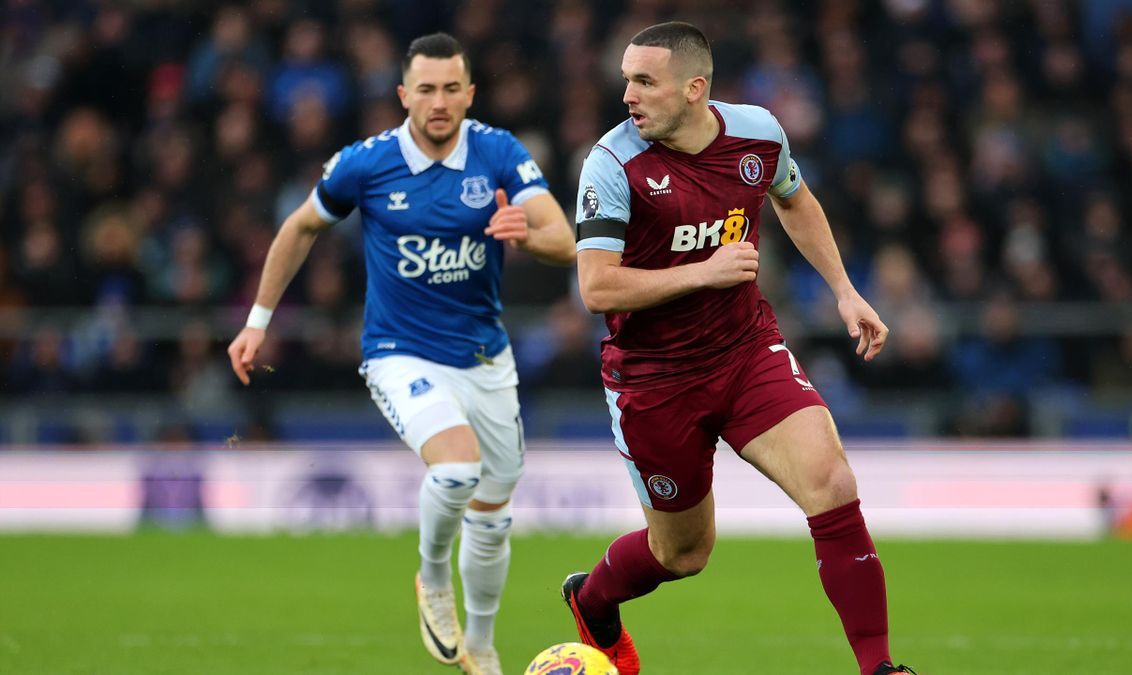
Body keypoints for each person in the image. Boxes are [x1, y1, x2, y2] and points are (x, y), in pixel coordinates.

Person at [563, 22, 915, 675]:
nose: (628, 96)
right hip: (654, 378)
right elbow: (596, 286)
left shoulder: (758, 133)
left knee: (832, 483)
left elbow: (795, 198)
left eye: (645, 81)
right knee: (684, 553)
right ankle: (592, 599)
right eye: (626, 81)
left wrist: (844, 290)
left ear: (695, 89)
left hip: (745, 350)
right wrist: (702, 271)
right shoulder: (612, 164)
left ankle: (880, 667)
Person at [227, 32, 575, 675]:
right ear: (403, 95)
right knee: (456, 472)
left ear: (470, 94)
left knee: (494, 515)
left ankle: (484, 646)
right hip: (400, 352)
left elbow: (564, 236)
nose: (439, 102)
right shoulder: (366, 163)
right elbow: (300, 226)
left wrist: (529, 233)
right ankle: (432, 577)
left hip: (485, 357)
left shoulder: (498, 153)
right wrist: (258, 321)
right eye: (426, 89)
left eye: (451, 89)